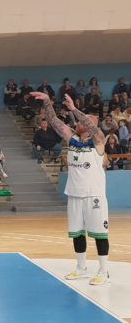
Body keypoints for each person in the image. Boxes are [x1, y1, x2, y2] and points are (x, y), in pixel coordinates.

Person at [31, 91, 110, 285]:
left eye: (85, 120)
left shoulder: (98, 141)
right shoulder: (72, 139)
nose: (79, 122)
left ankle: (103, 270)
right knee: (77, 233)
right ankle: (81, 267)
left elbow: (92, 126)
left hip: (94, 196)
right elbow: (54, 120)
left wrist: (74, 109)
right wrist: (48, 102)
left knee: (99, 234)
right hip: (74, 194)